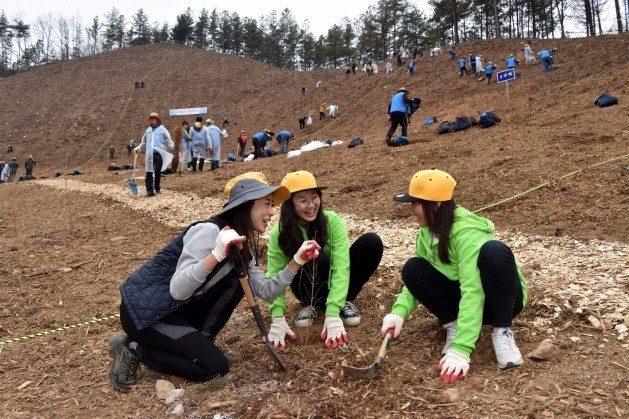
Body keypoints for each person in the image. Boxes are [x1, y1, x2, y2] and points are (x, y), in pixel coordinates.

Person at [107, 174, 321, 392]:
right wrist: (217, 254)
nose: (272, 212)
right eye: (266, 204)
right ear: (246, 206)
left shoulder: (242, 247)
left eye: (272, 205)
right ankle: (132, 347)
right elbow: (178, 290)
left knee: (237, 284)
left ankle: (191, 345)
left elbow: (266, 291)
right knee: (214, 367)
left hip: (174, 314)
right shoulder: (209, 232)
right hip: (146, 315)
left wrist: (297, 261)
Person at [382, 169, 526, 384]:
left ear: (436, 204)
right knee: (413, 267)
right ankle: (455, 324)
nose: (412, 209)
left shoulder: (467, 233)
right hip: (466, 303)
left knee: (494, 251)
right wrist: (399, 313)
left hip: (499, 302)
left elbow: (473, 288)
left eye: (415, 203)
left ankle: (501, 331)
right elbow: (418, 276)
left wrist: (461, 349)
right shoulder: (427, 230)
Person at [266, 171, 383, 349]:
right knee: (313, 255)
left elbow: (341, 265)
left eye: (314, 197)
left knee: (371, 242)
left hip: (335, 283)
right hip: (304, 284)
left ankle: (345, 299)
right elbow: (274, 272)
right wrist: (277, 316)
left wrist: (333, 313)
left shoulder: (332, 221)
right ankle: (309, 304)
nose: (311, 205)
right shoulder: (280, 232)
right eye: (302, 200)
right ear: (289, 205)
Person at [134, 112, 174, 197]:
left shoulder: (162, 129)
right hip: (149, 154)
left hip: (159, 153)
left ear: (157, 120)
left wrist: (171, 148)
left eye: (153, 119)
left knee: (157, 171)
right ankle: (149, 191)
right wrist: (138, 148)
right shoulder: (148, 130)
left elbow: (168, 140)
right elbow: (144, 142)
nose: (152, 120)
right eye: (151, 119)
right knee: (148, 172)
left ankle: (157, 188)